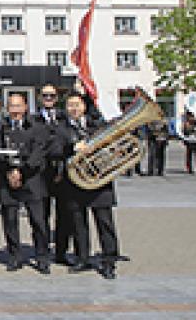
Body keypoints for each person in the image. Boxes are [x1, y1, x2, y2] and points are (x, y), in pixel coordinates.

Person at [61, 92, 120, 279]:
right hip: (75, 183)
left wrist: (97, 150)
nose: (74, 108)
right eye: (70, 105)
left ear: (84, 106)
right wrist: (72, 148)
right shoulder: (61, 129)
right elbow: (53, 149)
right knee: (79, 223)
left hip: (99, 182)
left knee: (105, 222)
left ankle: (109, 260)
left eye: (77, 104)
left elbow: (113, 147)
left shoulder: (98, 126)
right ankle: (82, 257)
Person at [0, 93, 51, 274]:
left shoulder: (36, 127)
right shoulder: (0, 127)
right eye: (11, 106)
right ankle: (15, 256)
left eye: (18, 106)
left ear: (25, 107)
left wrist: (21, 171)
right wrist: (9, 171)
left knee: (38, 221)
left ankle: (42, 256)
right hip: (7, 179)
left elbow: (38, 152)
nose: (15, 110)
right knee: (10, 220)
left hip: (31, 180)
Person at [37, 84, 72, 265]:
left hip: (63, 172)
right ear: (39, 97)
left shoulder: (64, 118)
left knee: (64, 215)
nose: (48, 99)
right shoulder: (34, 119)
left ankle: (61, 252)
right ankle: (42, 253)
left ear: (57, 98)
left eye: (51, 95)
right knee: (41, 215)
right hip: (42, 173)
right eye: (45, 96)